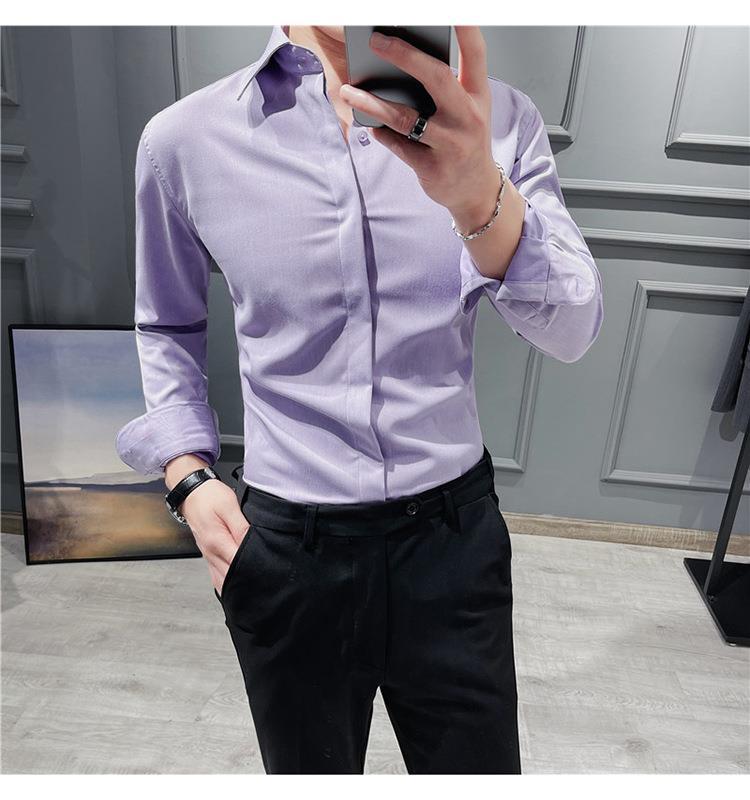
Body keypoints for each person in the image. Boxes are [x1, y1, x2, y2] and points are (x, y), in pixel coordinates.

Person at [115, 24, 603, 774]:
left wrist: (479, 197)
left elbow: (571, 330)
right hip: (286, 556)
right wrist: (188, 478)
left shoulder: (494, 119)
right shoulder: (185, 139)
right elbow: (167, 323)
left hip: (452, 546)